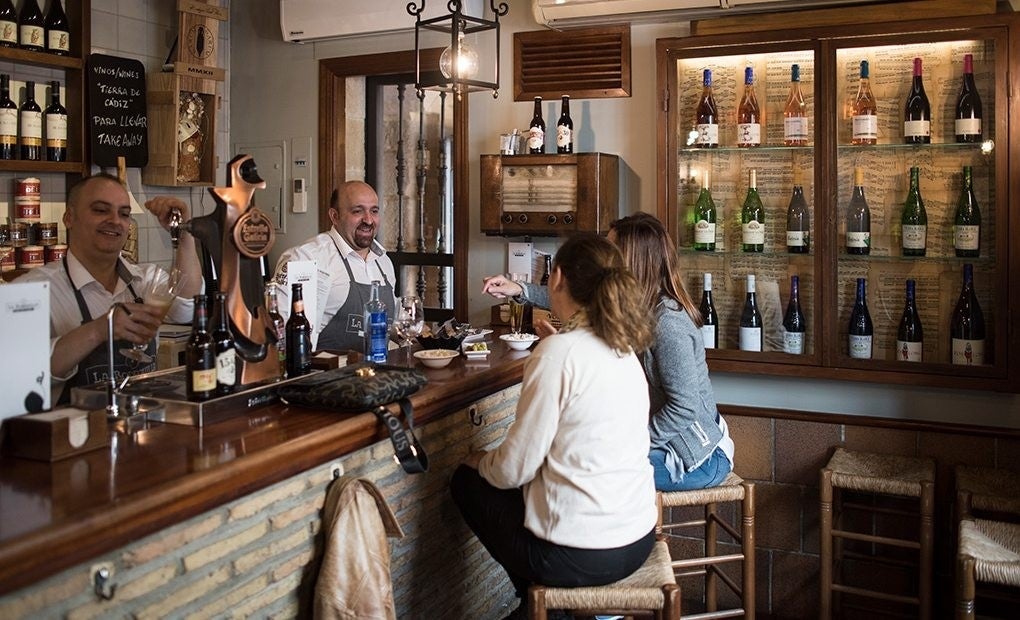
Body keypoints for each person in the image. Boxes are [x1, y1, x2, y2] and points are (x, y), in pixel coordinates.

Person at [453, 233, 658, 620]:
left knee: (467, 482)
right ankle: (547, 608)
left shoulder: (560, 353)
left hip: (581, 555)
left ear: (558, 277)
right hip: (637, 539)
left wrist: (477, 460)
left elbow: (514, 469)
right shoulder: (624, 348)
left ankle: (544, 606)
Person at [482, 213, 734, 492]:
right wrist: (519, 288)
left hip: (695, 456)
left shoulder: (668, 325)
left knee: (574, 467)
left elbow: (684, 408)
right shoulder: (631, 307)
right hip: (663, 444)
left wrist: (630, 442)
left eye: (610, 251)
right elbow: (572, 294)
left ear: (630, 261)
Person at [17, 173, 204, 405]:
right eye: (100, 210)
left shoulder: (145, 280)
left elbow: (188, 305)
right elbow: (19, 376)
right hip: (75, 436)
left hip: (141, 428)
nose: (115, 220)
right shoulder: (31, 290)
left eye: (124, 214)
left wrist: (182, 232)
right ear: (69, 218)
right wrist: (99, 330)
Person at [272, 181, 396, 351]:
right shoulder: (305, 259)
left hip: (377, 373)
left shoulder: (383, 262)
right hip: (325, 374)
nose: (368, 220)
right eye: (357, 211)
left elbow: (391, 321)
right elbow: (282, 334)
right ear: (335, 216)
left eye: (374, 211)